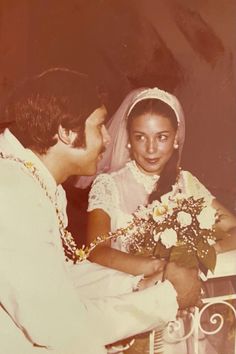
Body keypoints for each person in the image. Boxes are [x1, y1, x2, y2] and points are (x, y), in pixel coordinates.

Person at [0, 69, 201, 354]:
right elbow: (58, 325)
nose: (108, 139)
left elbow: (60, 277)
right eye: (100, 126)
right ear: (67, 133)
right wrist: (166, 299)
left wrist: (139, 284)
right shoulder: (13, 194)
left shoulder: (36, 182)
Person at [86, 87, 236, 353]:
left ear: (176, 138)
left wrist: (202, 252)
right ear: (128, 140)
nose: (151, 148)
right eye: (141, 137)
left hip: (187, 318)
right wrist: (160, 266)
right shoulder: (108, 185)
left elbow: (232, 228)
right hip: (134, 308)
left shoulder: (186, 183)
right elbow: (97, 251)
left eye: (162, 137)